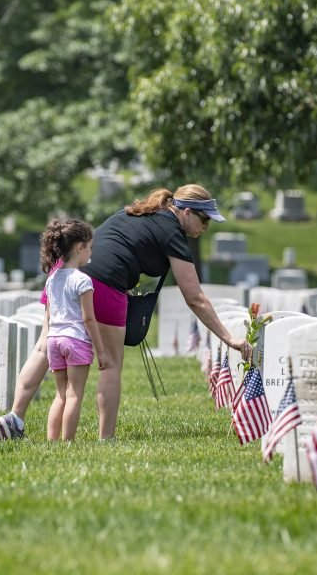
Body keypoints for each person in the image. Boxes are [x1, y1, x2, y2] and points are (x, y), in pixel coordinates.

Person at [81, 183, 252, 440]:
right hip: (105, 283)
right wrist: (229, 338)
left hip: (69, 273)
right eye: (204, 219)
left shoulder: (143, 213)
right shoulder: (172, 232)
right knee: (111, 365)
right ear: (186, 213)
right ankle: (106, 438)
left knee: (45, 349)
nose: (206, 227)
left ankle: (15, 416)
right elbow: (195, 298)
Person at [38, 218, 108, 441]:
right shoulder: (83, 280)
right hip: (75, 340)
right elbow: (89, 320)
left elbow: (48, 314)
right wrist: (102, 351)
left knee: (60, 394)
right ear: (79, 247)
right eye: (89, 248)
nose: (90, 253)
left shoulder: (52, 279)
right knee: (74, 394)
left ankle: (52, 440)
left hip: (54, 340)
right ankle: (68, 442)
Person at [0, 259, 60, 441]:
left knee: (42, 346)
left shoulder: (56, 271)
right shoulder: (78, 270)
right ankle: (62, 438)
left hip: (60, 274)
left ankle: (15, 417)